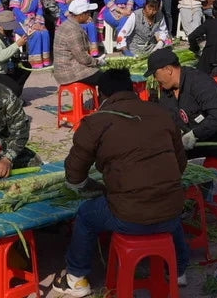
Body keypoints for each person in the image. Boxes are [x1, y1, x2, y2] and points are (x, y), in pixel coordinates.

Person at [54, 69, 188, 297]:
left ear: (100, 94)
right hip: (172, 211)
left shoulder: (96, 122)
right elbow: (180, 164)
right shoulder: (161, 113)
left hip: (130, 216)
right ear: (131, 89)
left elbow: (74, 174)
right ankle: (177, 270)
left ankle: (75, 278)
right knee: (164, 202)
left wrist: (91, 184)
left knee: (86, 214)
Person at [147, 47, 217, 238]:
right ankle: (178, 205)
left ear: (168, 70)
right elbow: (167, 119)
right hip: (199, 137)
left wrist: (194, 134)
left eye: (156, 74)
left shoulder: (199, 82)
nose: (156, 80)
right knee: (166, 159)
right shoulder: (167, 91)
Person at [52, 0, 106, 86]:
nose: (89, 15)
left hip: (64, 70)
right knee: (108, 78)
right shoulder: (74, 30)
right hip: (71, 73)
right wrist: (97, 62)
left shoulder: (66, 24)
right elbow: (83, 58)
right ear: (81, 15)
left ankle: (100, 99)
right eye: (88, 13)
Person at [9, 0, 50, 69]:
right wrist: (31, 24)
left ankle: (45, 60)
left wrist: (38, 22)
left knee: (44, 32)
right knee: (34, 33)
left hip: (35, 20)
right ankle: (35, 62)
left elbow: (39, 9)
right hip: (20, 22)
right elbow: (16, 11)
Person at [188, 0, 217, 75]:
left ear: (213, 14)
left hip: (210, 63)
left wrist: (196, 49)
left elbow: (191, 37)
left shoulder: (209, 23)